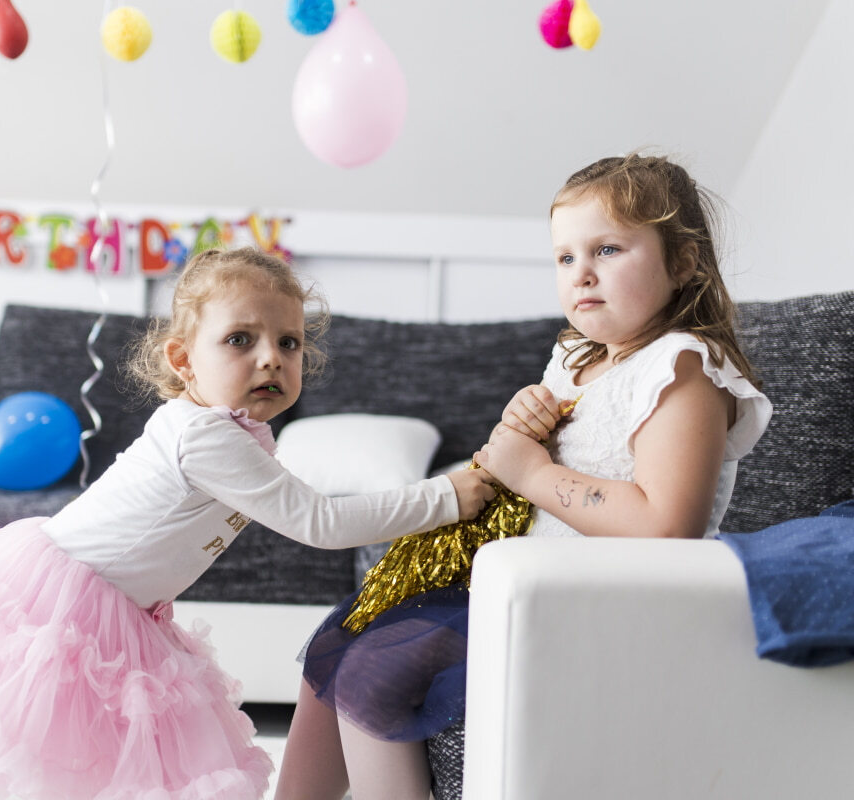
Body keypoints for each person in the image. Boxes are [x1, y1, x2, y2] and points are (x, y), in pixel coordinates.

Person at [0, 246, 496, 800]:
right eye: (240, 340)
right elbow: (319, 520)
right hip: (70, 605)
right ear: (184, 360)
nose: (271, 359)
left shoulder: (233, 430)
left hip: (125, 607)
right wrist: (444, 496)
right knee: (74, 762)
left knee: (121, 764)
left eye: (289, 342)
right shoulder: (206, 437)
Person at [274, 153, 772, 800]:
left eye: (609, 249)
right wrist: (522, 427)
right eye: (565, 257)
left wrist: (532, 468)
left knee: (376, 670)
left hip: (606, 606)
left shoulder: (682, 369)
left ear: (683, 262)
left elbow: (665, 524)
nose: (582, 273)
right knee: (341, 633)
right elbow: (534, 455)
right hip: (532, 580)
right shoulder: (576, 355)